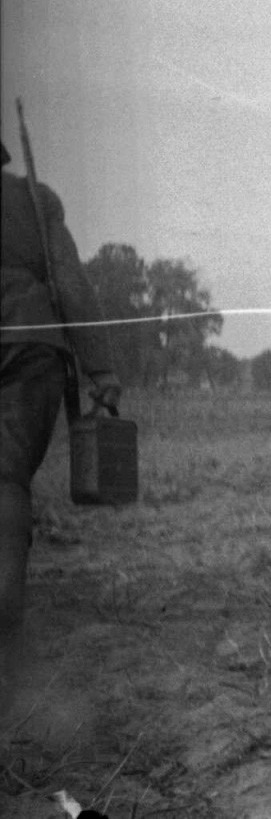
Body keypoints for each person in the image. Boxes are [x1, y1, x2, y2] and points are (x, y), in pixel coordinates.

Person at [1, 140, 121, 708]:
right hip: (29, 345)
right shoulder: (34, 201)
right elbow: (71, 284)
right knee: (5, 479)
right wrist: (99, 367)